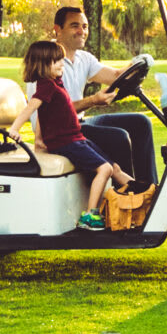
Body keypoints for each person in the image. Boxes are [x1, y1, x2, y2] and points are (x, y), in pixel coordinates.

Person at [45, 4, 157, 189]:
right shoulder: (45, 59)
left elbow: (115, 76)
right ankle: (128, 199)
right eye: (75, 26)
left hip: (80, 123)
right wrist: (93, 101)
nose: (82, 31)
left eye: (85, 26)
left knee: (141, 122)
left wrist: (138, 63)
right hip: (60, 132)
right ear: (58, 30)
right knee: (118, 137)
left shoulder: (83, 58)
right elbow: (52, 114)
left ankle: (148, 190)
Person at [21, 40, 129, 231]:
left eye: (61, 60)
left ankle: (146, 194)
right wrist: (21, 131)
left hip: (74, 135)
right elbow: (34, 110)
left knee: (115, 167)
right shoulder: (46, 86)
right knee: (107, 163)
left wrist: (39, 140)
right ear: (44, 64)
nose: (61, 63)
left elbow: (46, 112)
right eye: (57, 61)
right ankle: (90, 215)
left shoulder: (56, 82)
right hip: (65, 139)